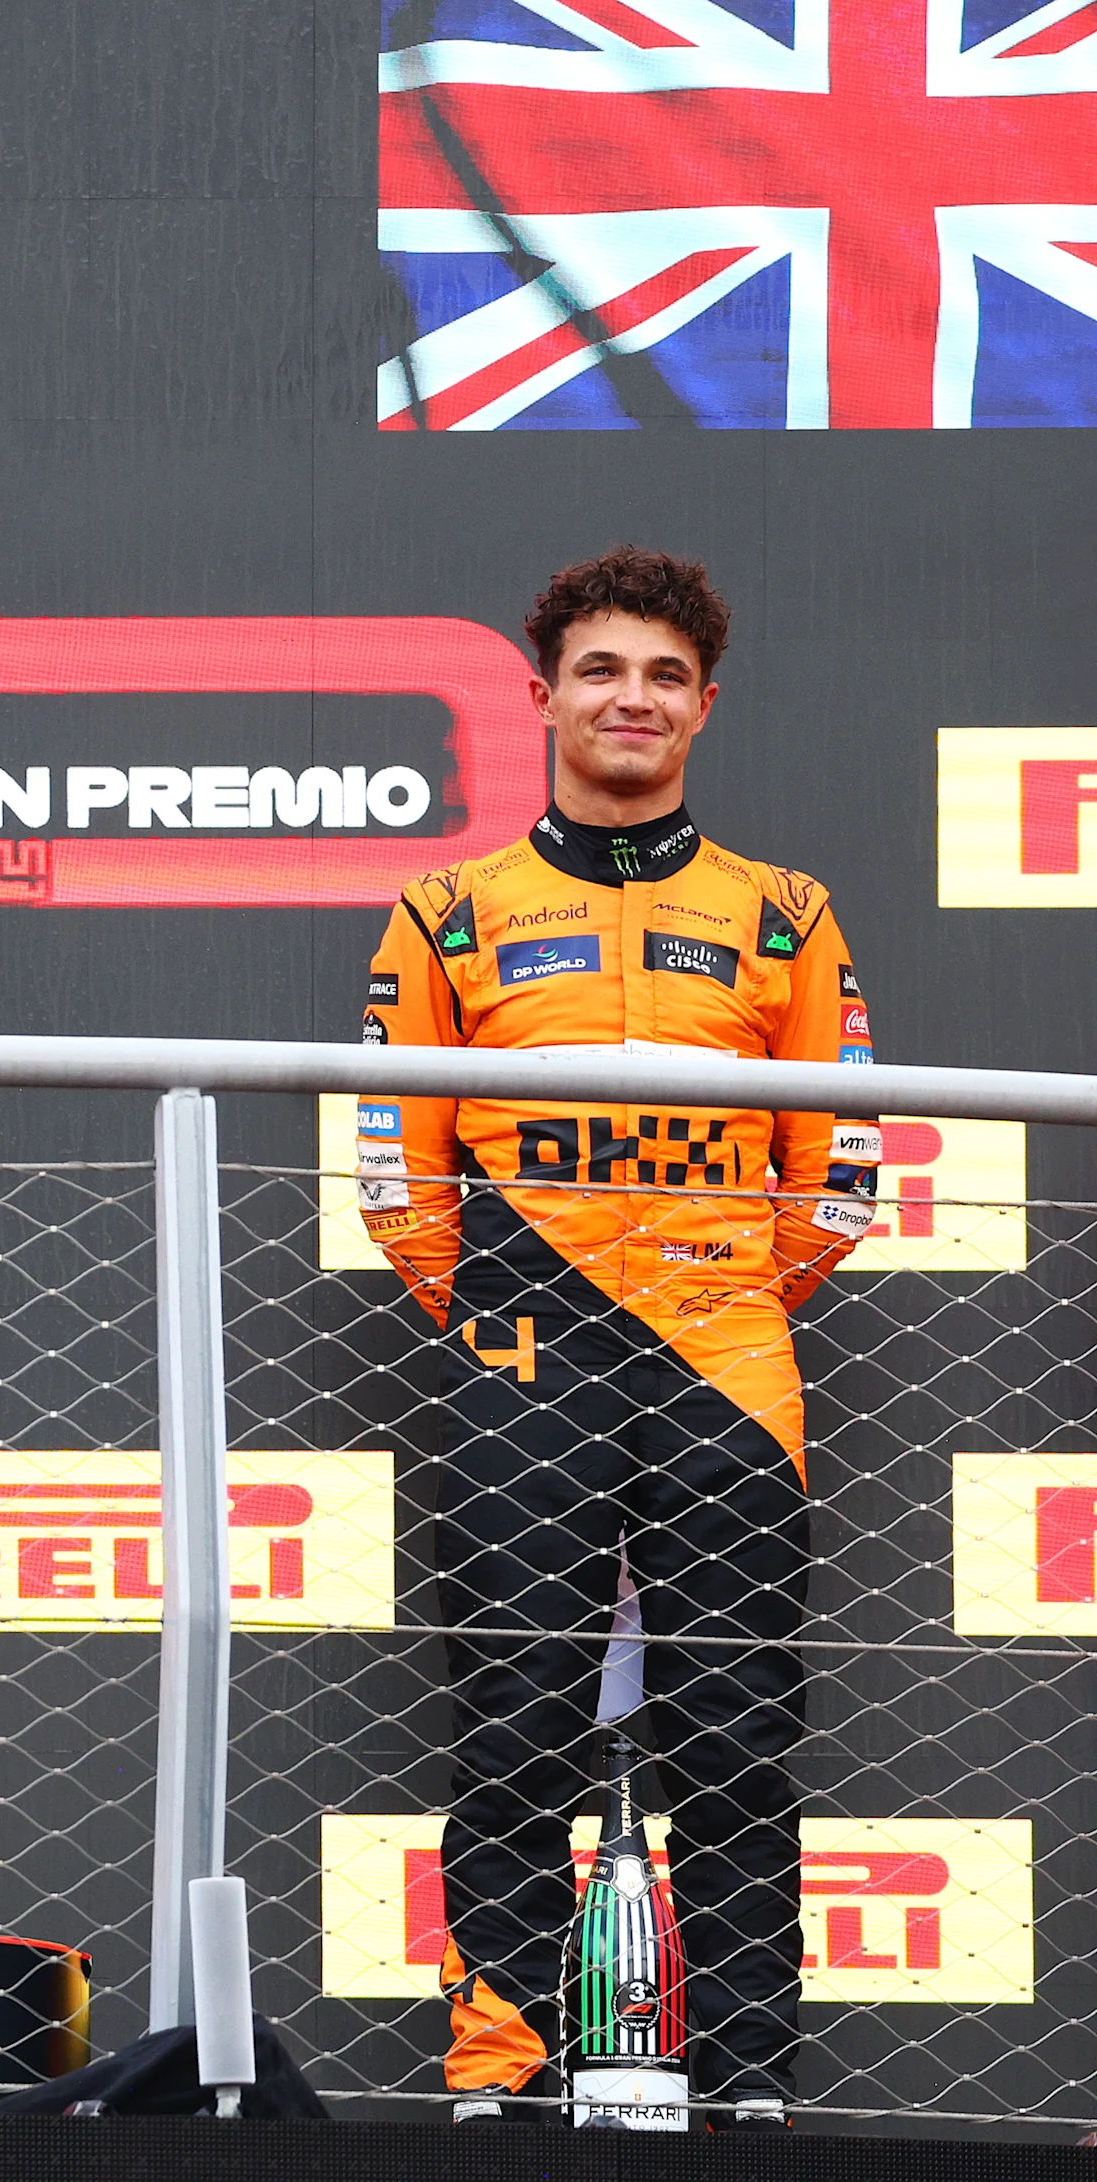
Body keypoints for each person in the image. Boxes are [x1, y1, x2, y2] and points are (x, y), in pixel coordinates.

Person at [358, 546, 878, 2129]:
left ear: (705, 705)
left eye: (664, 675)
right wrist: (518, 1307)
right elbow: (396, 1175)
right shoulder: (447, 909)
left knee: (739, 1734)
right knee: (514, 1720)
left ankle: (754, 2083)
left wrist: (715, 1292)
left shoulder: (787, 914)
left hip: (731, 1359)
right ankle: (504, 2075)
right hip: (524, 1357)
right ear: (542, 697)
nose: (631, 698)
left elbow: (838, 1174)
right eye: (601, 669)